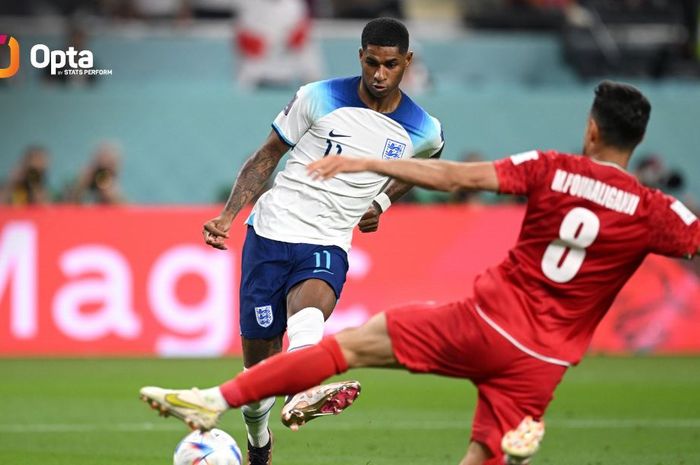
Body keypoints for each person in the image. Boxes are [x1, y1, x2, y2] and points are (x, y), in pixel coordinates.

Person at [141, 81, 697, 463]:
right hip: (544, 362)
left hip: (481, 321)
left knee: (350, 347)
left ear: (591, 131)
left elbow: (455, 177)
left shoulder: (550, 168)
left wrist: (370, 164)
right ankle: (510, 450)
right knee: (484, 452)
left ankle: (215, 398)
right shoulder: (656, 211)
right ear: (637, 142)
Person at [195, 17, 444, 465]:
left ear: (407, 62)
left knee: (311, 308)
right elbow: (267, 155)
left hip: (328, 240)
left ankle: (304, 392)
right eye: (372, 62)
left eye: (391, 64)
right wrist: (229, 216)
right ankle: (258, 439)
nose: (380, 74)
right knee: (258, 370)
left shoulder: (423, 129)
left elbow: (429, 164)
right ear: (360, 57)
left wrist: (383, 203)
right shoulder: (318, 96)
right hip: (270, 233)